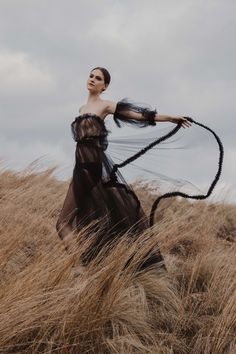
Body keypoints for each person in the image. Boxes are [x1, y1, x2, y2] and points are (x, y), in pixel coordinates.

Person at [56, 67, 191, 268]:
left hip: (92, 168)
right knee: (72, 223)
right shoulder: (81, 110)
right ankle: (88, 269)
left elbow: (138, 115)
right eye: (91, 76)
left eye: (98, 78)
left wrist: (170, 118)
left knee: (63, 223)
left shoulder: (105, 106)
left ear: (105, 86)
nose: (92, 79)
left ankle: (80, 272)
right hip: (81, 169)